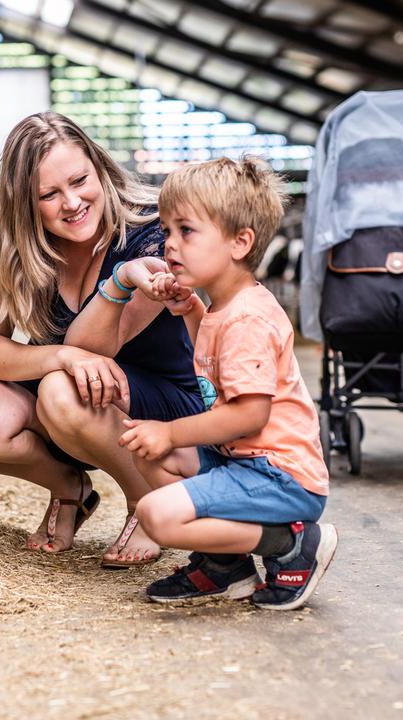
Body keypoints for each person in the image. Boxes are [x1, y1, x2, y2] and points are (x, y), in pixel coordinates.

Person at [0, 112, 205, 567]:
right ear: (26, 203)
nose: (71, 202)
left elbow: (100, 351)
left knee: (62, 390)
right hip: (71, 406)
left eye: (80, 180)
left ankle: (145, 501)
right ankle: (69, 489)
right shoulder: (14, 246)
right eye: (48, 195)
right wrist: (59, 355)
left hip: (164, 412)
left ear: (99, 168)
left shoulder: (149, 235)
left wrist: (121, 279)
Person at [118, 157, 336, 610]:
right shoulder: (223, 307)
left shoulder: (247, 319)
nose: (169, 243)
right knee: (152, 457)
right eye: (167, 230)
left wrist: (170, 431)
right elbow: (220, 368)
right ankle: (225, 566)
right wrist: (192, 312)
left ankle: (289, 544)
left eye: (186, 231)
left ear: (239, 242)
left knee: (155, 515)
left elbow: (248, 414)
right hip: (243, 464)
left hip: (279, 477)